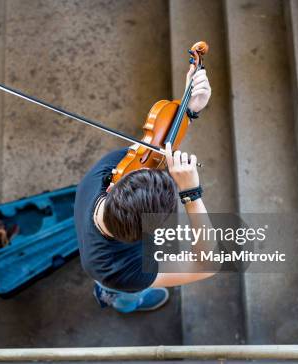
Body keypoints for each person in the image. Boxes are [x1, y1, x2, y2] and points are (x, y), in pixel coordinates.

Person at [74, 66, 217, 313]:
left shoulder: (106, 170)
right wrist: (191, 194)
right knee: (129, 296)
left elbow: (153, 151)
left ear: (114, 186)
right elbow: (207, 265)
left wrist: (188, 110)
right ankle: (123, 303)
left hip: (93, 243)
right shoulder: (123, 272)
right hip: (117, 283)